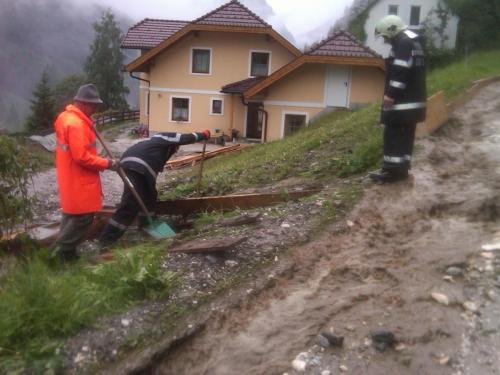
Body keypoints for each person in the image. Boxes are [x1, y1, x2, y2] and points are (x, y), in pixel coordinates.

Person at [98, 130, 211, 247]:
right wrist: (202, 135)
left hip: (135, 166)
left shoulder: (157, 150)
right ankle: (106, 241)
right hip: (136, 166)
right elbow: (184, 137)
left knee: (149, 197)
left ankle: (146, 227)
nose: (177, 150)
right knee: (130, 204)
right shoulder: (164, 137)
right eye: (177, 147)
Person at [51, 84, 117, 261]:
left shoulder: (65, 117)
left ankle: (66, 251)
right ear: (83, 103)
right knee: (83, 218)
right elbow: (82, 157)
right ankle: (64, 253)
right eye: (93, 105)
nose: (95, 108)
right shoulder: (77, 125)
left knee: (70, 214)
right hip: (79, 178)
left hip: (69, 176)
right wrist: (107, 163)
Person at [369, 15, 427, 183]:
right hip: (414, 103)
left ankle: (391, 173)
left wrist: (390, 94)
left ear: (391, 31)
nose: (385, 40)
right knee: (406, 136)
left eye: (385, 36)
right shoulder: (413, 42)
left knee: (393, 135)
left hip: (402, 104)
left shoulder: (402, 44)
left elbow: (400, 71)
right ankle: (402, 169)